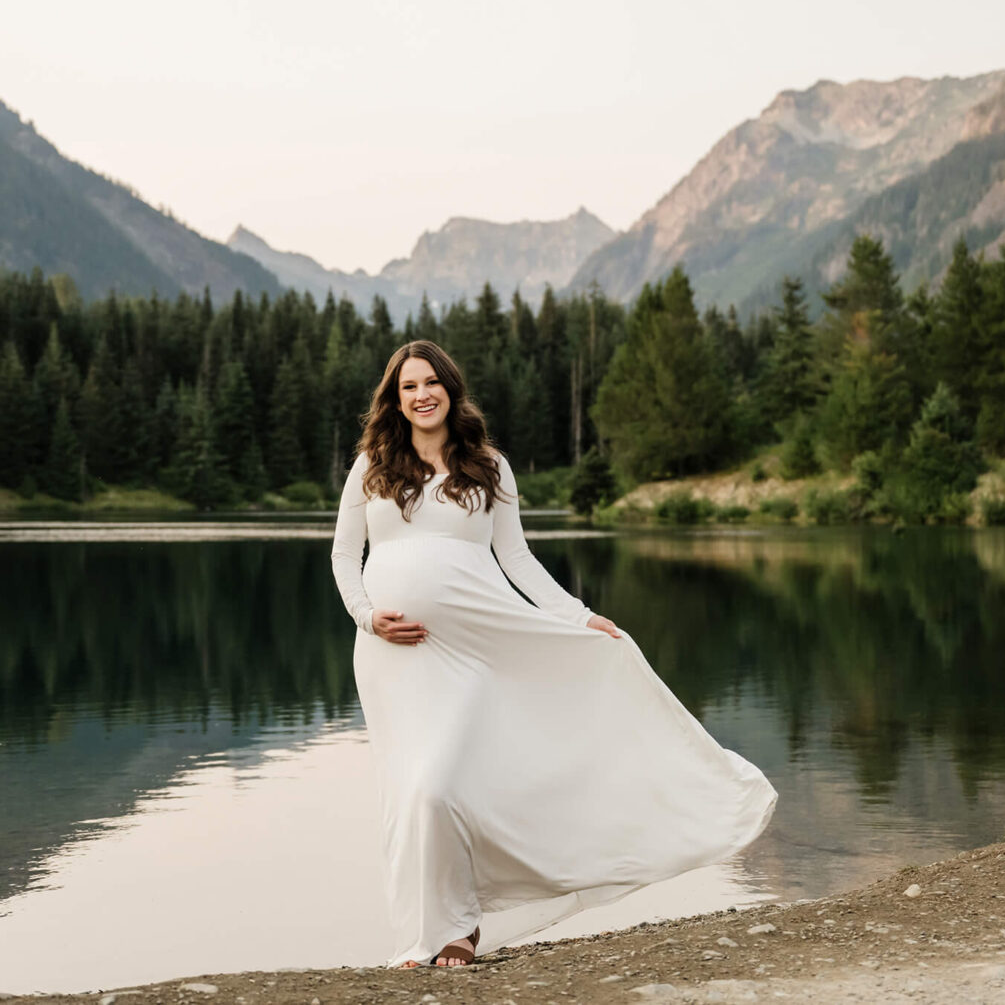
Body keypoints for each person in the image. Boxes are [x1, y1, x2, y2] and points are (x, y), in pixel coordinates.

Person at [331, 339, 777, 969]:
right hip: (391, 656)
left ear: (451, 390)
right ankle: (423, 939)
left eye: (432, 382)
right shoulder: (372, 466)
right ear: (394, 398)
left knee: (439, 787)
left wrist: (579, 617)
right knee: (411, 795)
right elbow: (346, 556)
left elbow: (517, 560)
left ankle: (461, 928)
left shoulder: (487, 466)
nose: (422, 394)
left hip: (476, 648)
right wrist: (368, 617)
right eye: (409, 386)